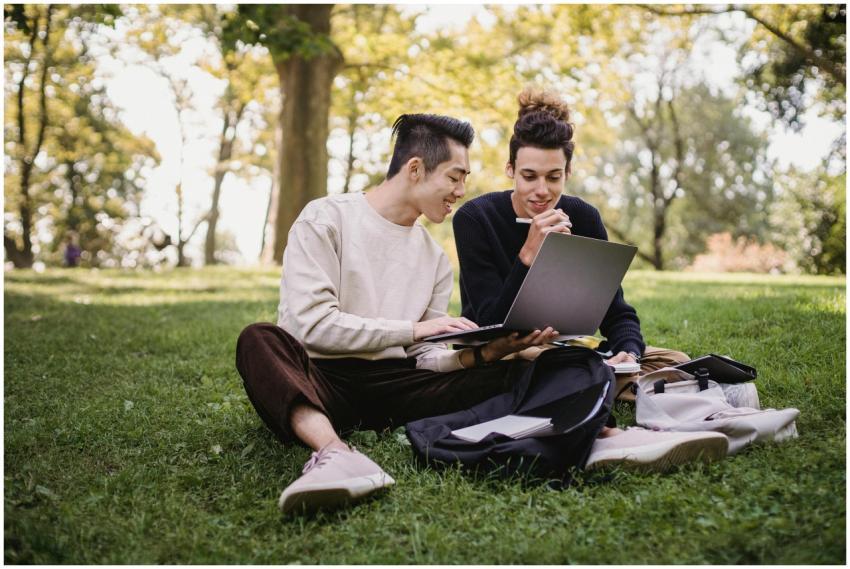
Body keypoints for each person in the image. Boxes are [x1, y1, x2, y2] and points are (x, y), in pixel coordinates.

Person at [235, 114, 560, 514]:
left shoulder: (435, 258)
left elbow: (422, 359)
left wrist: (485, 354)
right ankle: (336, 454)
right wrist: (414, 329)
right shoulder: (325, 218)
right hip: (320, 377)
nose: (461, 191)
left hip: (398, 385)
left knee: (515, 369)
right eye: (455, 177)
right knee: (260, 339)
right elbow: (311, 326)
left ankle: (586, 430)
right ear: (416, 169)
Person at [452, 88, 727, 470]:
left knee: (672, 359)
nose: (542, 191)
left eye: (554, 177)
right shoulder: (475, 219)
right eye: (529, 176)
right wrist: (528, 256)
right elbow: (487, 322)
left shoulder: (583, 217)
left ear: (568, 173)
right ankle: (618, 417)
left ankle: (637, 390)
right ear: (510, 169)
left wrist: (629, 351)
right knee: (548, 361)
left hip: (578, 351)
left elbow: (616, 312)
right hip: (512, 354)